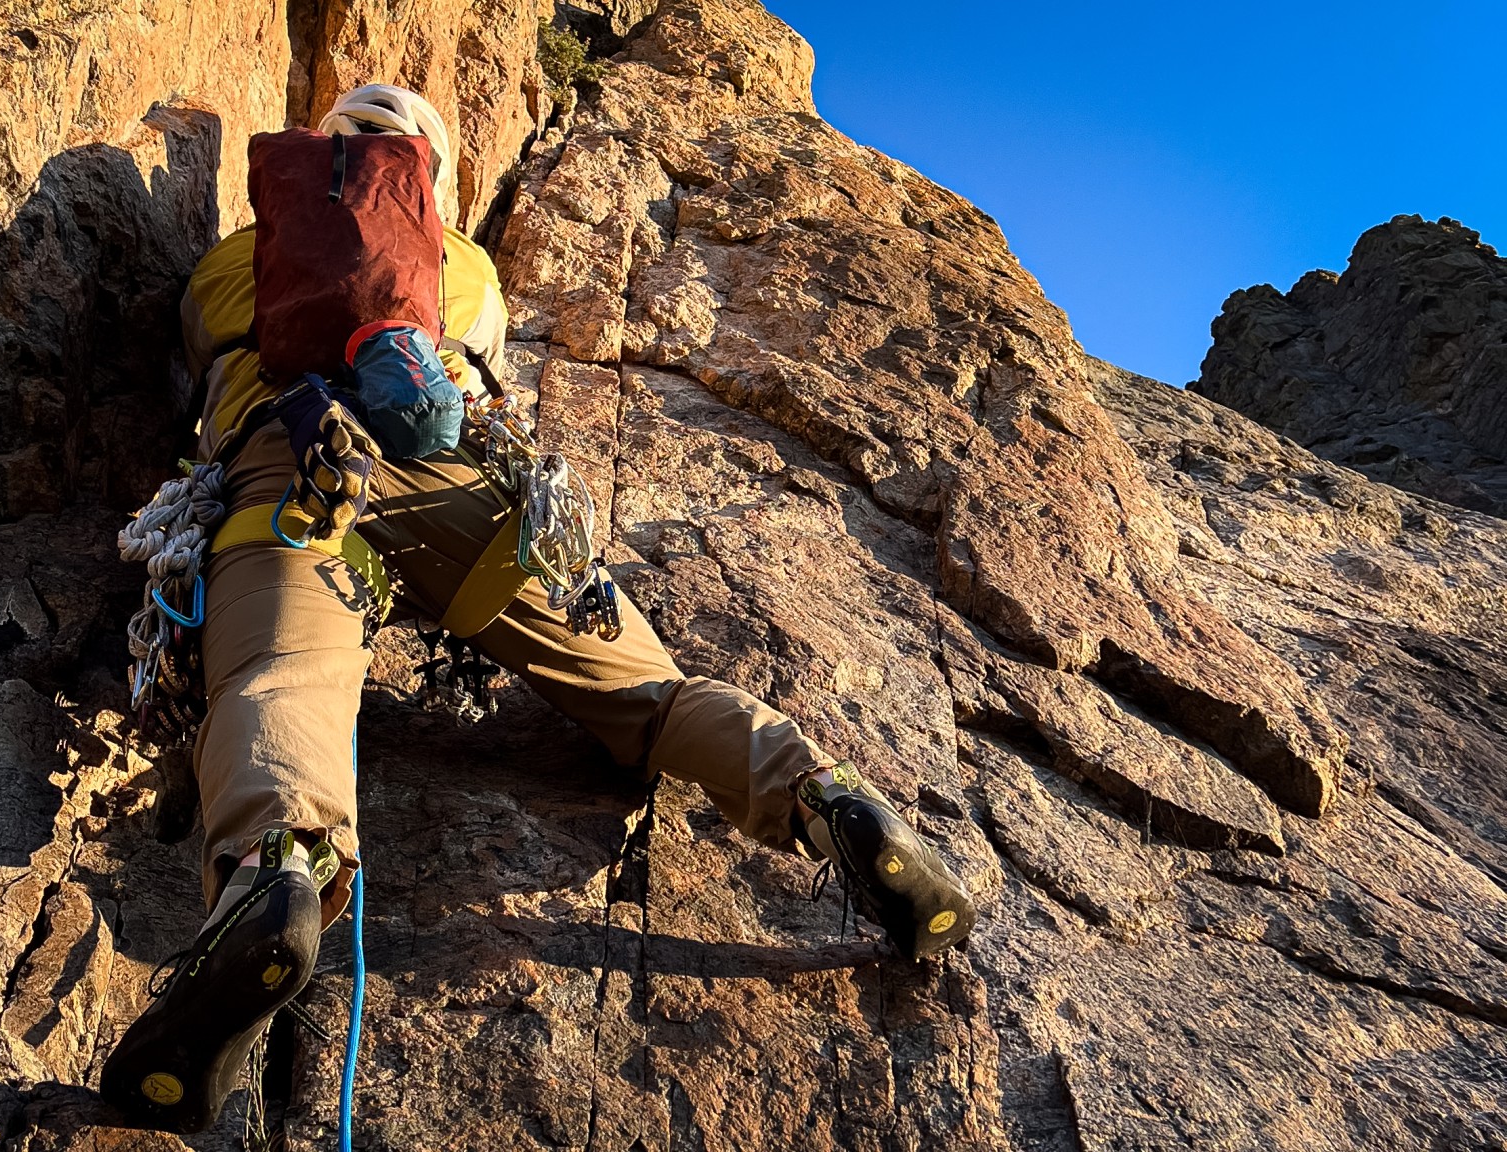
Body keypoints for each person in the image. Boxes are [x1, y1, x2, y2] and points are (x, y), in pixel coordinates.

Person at [99, 84, 976, 1133]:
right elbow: (471, 371)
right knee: (653, 699)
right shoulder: (462, 265)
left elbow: (201, 366)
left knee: (280, 683)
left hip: (298, 480)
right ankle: (822, 793)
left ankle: (275, 870)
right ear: (424, 173)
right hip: (480, 500)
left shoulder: (236, 259)